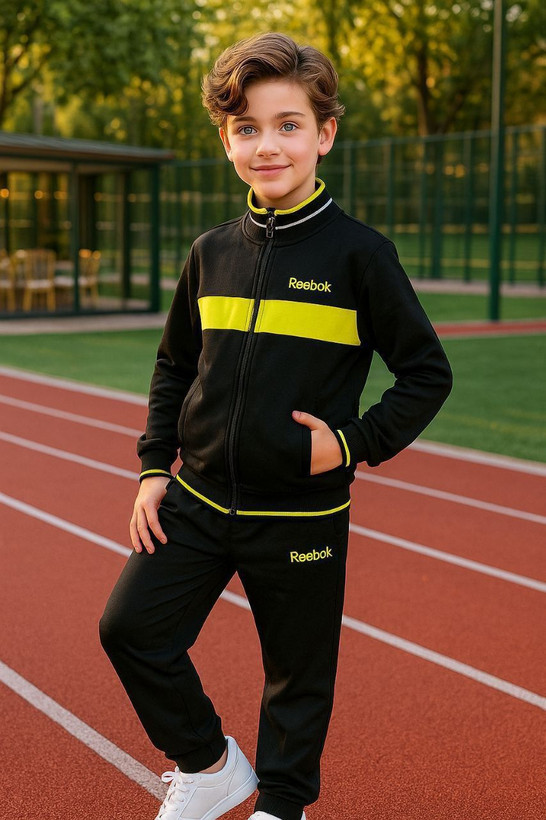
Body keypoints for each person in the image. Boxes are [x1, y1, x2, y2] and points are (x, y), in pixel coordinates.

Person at [99, 31, 452, 820]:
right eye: (248, 128)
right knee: (130, 629)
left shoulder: (361, 256)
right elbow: (174, 368)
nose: (268, 146)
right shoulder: (210, 253)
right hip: (198, 499)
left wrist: (351, 443)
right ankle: (208, 765)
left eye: (288, 125)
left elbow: (427, 373)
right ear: (227, 141)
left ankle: (283, 804)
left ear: (325, 134)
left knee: (296, 672)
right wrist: (154, 467)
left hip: (301, 509)